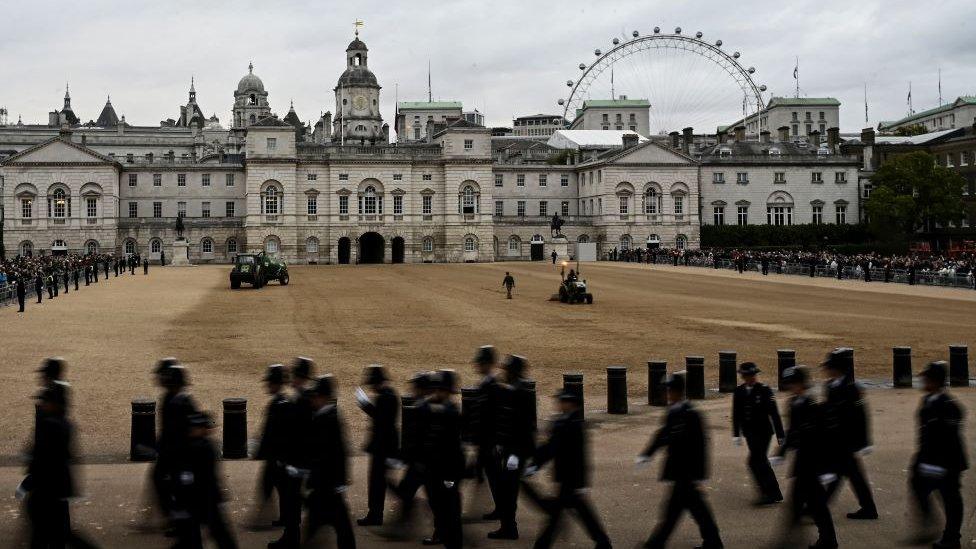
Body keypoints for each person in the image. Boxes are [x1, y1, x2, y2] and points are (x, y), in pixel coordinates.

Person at [638, 373, 723, 549]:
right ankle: (713, 542)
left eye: (668, 390)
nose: (666, 394)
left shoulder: (691, 414)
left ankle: (655, 544)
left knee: (674, 513)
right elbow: (663, 435)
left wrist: (701, 475)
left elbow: (701, 446)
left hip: (687, 473)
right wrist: (648, 453)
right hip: (680, 472)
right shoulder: (673, 411)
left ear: (676, 391)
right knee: (695, 510)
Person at [524, 389, 611, 549]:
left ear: (571, 404)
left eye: (563, 401)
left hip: (568, 478)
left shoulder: (565, 424)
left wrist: (534, 465)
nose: (560, 404)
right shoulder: (572, 423)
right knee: (578, 512)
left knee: (563, 514)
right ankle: (602, 541)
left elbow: (552, 449)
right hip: (571, 478)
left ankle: (542, 544)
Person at [24, 382, 97, 549]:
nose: (42, 405)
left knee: (48, 535)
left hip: (47, 490)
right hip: (59, 489)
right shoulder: (65, 424)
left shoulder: (51, 425)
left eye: (46, 402)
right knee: (59, 535)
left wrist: (28, 483)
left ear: (55, 403)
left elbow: (44, 459)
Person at [772, 366, 837, 549]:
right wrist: (781, 453)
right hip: (802, 463)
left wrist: (827, 468)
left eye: (792, 384)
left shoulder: (814, 407)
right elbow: (792, 432)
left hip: (813, 464)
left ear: (801, 384)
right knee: (805, 504)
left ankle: (826, 540)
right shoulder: (793, 404)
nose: (790, 388)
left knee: (814, 505)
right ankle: (820, 539)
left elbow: (824, 440)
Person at [908, 361, 967, 548]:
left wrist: (937, 464)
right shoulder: (928, 400)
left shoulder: (946, 405)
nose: (921, 380)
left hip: (948, 462)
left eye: (925, 378)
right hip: (929, 458)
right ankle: (930, 526)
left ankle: (952, 538)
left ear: (934, 381)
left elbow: (948, 438)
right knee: (918, 485)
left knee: (951, 499)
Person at [820, 350, 878, 520]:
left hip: (848, 439)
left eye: (829, 367)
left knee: (840, 473)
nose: (827, 371)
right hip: (835, 438)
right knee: (852, 474)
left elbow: (862, 415)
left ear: (836, 368)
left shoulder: (852, 388)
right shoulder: (830, 386)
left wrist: (865, 442)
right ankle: (868, 508)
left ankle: (820, 506)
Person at [171, 411, 238, 549]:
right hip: (202, 499)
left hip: (202, 499)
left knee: (214, 536)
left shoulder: (201, 447)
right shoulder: (202, 446)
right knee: (215, 537)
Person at [303, 375, 356, 549]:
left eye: (315, 396)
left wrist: (340, 481)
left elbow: (338, 453)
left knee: (340, 525)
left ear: (324, 397)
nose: (313, 400)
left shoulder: (329, 419)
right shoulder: (324, 415)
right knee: (338, 525)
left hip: (327, 483)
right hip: (325, 484)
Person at [490, 354, 536, 540]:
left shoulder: (518, 391)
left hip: (516, 451)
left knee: (508, 490)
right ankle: (507, 525)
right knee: (507, 488)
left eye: (507, 370)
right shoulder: (518, 389)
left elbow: (522, 425)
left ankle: (509, 528)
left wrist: (514, 453)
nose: (504, 373)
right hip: (513, 449)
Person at [418, 370, 464, 549]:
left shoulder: (451, 412)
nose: (437, 392)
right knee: (437, 507)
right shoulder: (431, 407)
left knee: (450, 513)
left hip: (448, 471)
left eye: (441, 389)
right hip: (433, 469)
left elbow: (453, 448)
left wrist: (451, 477)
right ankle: (441, 534)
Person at [153, 359, 198, 531]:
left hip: (178, 454)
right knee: (163, 481)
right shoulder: (170, 398)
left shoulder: (180, 401)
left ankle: (178, 521)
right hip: (170, 452)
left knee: (174, 486)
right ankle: (175, 518)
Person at [732, 362, 784, 505]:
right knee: (761, 462)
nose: (751, 378)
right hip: (749, 433)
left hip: (763, 432)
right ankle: (774, 493)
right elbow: (736, 414)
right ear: (743, 376)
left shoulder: (765, 390)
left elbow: (774, 414)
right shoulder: (739, 391)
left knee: (755, 462)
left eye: (753, 375)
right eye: (748, 375)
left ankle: (767, 494)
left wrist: (780, 435)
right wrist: (736, 433)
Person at [354, 364, 399, 527]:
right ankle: (375, 513)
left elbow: (381, 420)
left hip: (383, 448)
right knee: (379, 483)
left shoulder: (385, 397)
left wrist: (364, 404)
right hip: (384, 447)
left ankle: (375, 514)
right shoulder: (388, 394)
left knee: (377, 483)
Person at [254, 364, 294, 542]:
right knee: (277, 488)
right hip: (279, 456)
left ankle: (264, 518)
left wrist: (264, 452)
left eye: (270, 382)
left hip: (277, 456)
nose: (267, 385)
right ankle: (281, 517)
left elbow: (273, 433)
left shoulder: (279, 404)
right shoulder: (282, 402)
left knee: (271, 486)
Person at [471, 345, 502, 521]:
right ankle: (500, 508)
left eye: (481, 363)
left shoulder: (492, 385)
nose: (478, 366)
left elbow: (494, 416)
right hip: (484, 440)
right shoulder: (487, 383)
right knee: (488, 475)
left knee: (494, 475)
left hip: (489, 441)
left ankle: (502, 509)